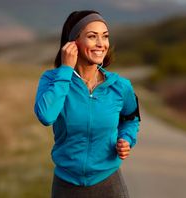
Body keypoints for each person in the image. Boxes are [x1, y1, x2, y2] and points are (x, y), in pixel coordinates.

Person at [34, 10, 141, 198]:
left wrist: (126, 138)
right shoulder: (52, 79)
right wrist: (66, 70)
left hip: (109, 184)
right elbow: (46, 116)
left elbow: (131, 118)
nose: (101, 44)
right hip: (67, 186)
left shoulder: (120, 86)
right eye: (92, 36)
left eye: (105, 36)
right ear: (72, 43)